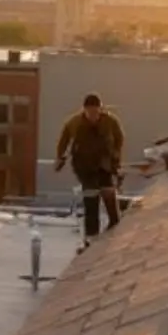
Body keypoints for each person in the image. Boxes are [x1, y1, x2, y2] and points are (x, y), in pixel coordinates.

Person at [54, 93, 125, 252]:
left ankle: (115, 224)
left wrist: (115, 155)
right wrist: (60, 157)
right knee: (91, 200)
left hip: (105, 164)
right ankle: (91, 238)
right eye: (90, 112)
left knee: (108, 193)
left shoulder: (110, 122)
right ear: (85, 110)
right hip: (85, 166)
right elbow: (64, 140)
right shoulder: (75, 123)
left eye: (96, 111)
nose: (93, 115)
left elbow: (119, 138)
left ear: (100, 109)